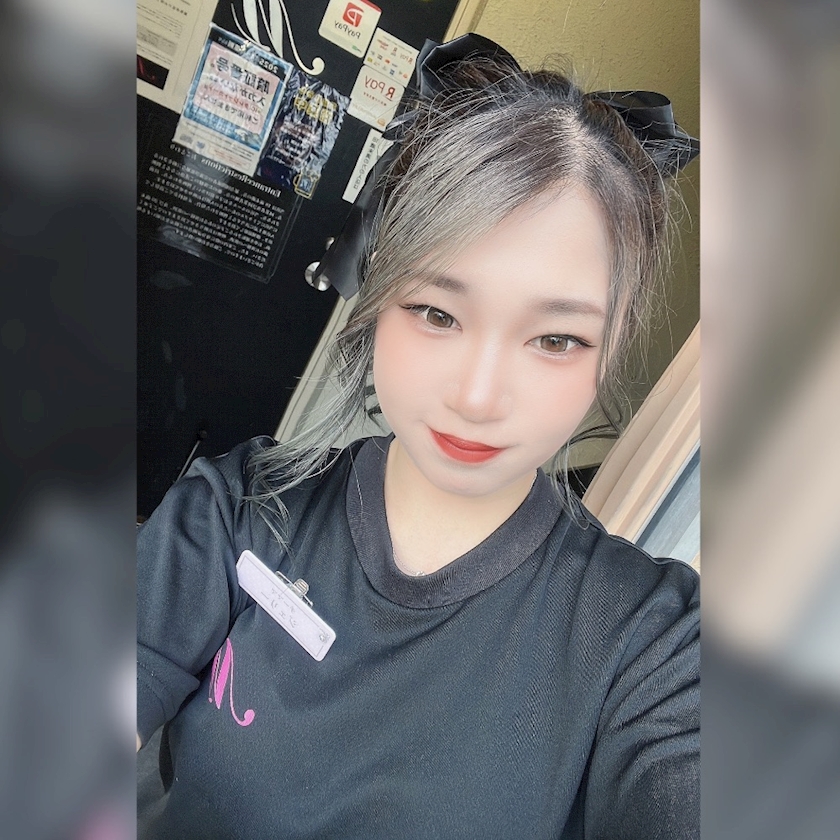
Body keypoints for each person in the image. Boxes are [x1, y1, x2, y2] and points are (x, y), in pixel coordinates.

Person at [137, 33, 700, 840]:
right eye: (436, 313)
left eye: (556, 339)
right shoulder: (237, 509)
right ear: (374, 293)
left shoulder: (650, 646)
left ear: (610, 348)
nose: (477, 397)